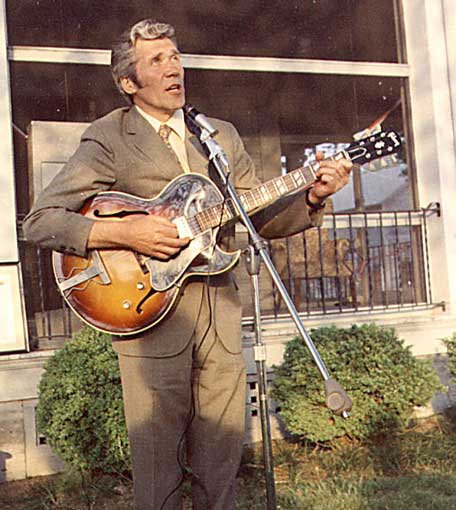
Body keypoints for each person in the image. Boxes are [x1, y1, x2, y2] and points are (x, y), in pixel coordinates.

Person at [23, 19, 352, 510]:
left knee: (222, 456)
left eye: (175, 56)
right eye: (156, 60)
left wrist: (313, 197)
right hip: (147, 309)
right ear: (129, 83)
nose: (173, 67)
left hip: (219, 310)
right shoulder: (110, 135)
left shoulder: (217, 134)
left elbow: (256, 218)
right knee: (158, 463)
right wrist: (124, 231)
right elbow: (40, 221)